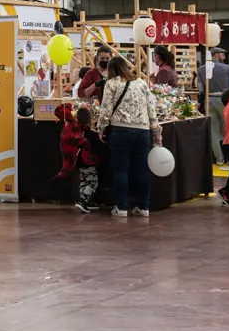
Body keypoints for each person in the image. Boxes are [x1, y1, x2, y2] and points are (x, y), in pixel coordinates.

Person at [97, 56, 161, 218]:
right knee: (141, 170)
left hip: (120, 131)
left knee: (120, 170)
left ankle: (121, 207)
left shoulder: (111, 84)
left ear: (111, 69)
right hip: (142, 131)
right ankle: (144, 206)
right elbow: (151, 109)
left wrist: (101, 129)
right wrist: (156, 131)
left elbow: (106, 110)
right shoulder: (141, 83)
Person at [55, 102, 105, 212]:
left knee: (84, 181)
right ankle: (83, 200)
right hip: (89, 162)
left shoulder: (75, 131)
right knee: (92, 182)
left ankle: (84, 201)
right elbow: (98, 146)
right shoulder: (92, 134)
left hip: (78, 161)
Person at [198, 47, 229, 166]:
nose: (224, 57)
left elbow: (200, 89)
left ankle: (219, 158)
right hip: (225, 100)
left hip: (209, 99)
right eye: (222, 55)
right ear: (216, 55)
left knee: (213, 131)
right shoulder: (227, 68)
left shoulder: (201, 69)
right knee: (228, 128)